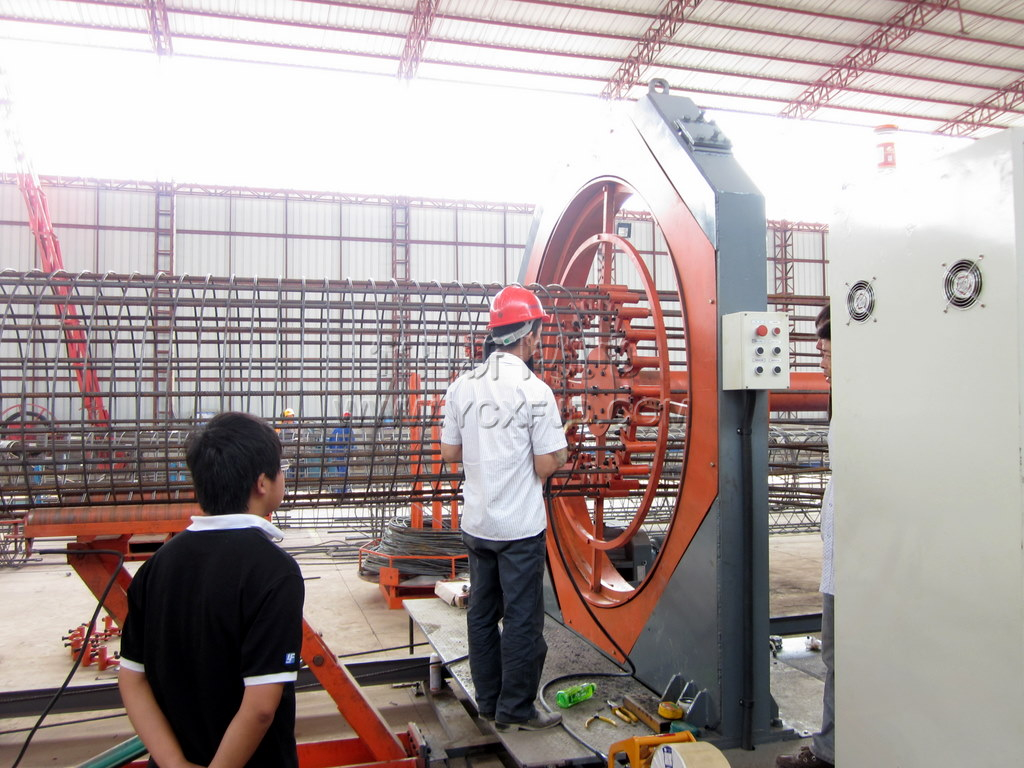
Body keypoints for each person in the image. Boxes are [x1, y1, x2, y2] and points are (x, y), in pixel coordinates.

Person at [119, 412, 305, 768]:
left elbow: (131, 680)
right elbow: (261, 707)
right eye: (281, 469)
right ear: (262, 483)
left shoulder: (157, 565)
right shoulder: (274, 571)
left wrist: (174, 763)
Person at [440, 285, 568, 732]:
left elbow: (450, 453)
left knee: (481, 614)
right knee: (521, 620)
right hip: (519, 530)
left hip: (478, 525)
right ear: (529, 335)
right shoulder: (536, 391)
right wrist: (560, 453)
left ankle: (489, 702)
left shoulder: (462, 387)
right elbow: (545, 464)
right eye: (539, 334)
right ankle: (516, 709)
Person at [777, 304, 834, 768]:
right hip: (846, 559)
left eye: (826, 342)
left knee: (842, 655)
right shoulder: (846, 398)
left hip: (861, 561)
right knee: (838, 653)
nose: (819, 349)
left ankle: (832, 752)